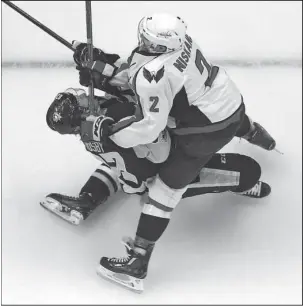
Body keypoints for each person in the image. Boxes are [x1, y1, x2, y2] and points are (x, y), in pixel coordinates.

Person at [70, 13, 276, 291]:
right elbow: (140, 74)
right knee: (233, 121)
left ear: (158, 46)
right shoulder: (181, 42)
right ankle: (261, 137)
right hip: (230, 103)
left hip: (203, 133)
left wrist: (109, 132)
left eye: (146, 38)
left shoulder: (153, 75)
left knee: (164, 190)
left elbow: (148, 128)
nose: (141, 40)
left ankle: (137, 264)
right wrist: (101, 64)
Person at [42, 88, 270, 292]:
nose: (82, 94)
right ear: (81, 113)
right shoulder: (108, 126)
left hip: (146, 162)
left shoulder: (95, 125)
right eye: (78, 100)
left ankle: (87, 200)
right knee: (248, 170)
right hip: (168, 168)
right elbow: (153, 160)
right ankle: (138, 261)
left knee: (113, 168)